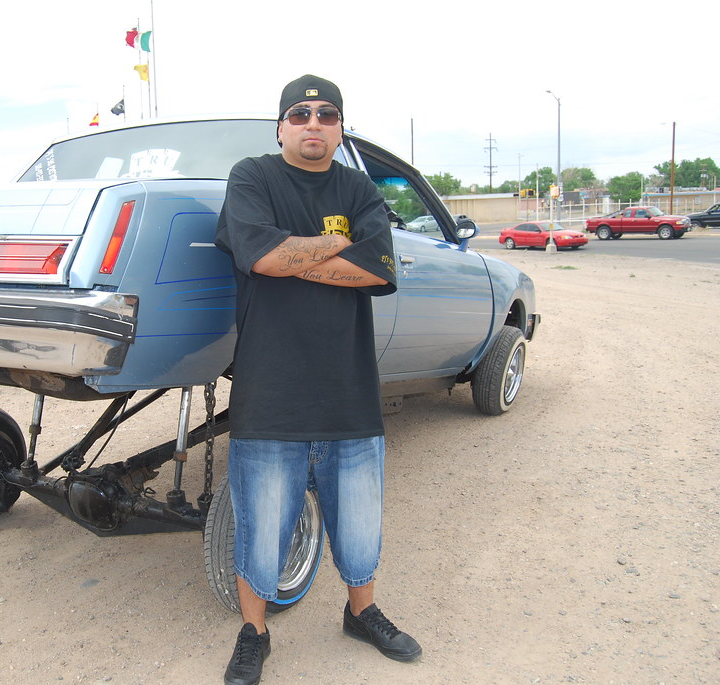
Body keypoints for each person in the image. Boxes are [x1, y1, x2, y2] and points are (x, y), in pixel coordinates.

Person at [214, 74, 421, 685]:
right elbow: (260, 256)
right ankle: (254, 632)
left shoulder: (358, 187)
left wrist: (293, 256)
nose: (312, 123)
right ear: (281, 126)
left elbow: (378, 271)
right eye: (299, 114)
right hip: (269, 389)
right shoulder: (252, 177)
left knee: (359, 522)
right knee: (261, 524)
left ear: (338, 127)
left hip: (349, 390)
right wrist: (336, 244)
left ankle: (362, 612)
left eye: (326, 115)